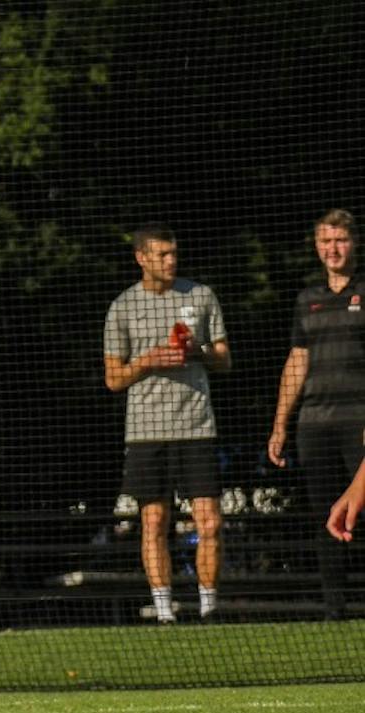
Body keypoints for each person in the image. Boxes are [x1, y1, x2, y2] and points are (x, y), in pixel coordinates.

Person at [103, 224, 232, 624]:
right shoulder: (123, 307)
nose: (171, 261)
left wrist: (199, 350)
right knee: (154, 521)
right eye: (162, 254)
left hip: (197, 426)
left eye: (174, 253)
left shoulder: (201, 295)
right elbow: (113, 379)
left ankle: (209, 607)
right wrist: (148, 361)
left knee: (210, 520)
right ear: (141, 257)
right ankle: (164, 612)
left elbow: (224, 360)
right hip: (146, 431)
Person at [268, 209, 365, 619]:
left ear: (354, 243)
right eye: (326, 241)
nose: (333, 249)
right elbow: (297, 360)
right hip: (315, 425)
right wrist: (279, 425)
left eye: (340, 240)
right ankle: (334, 609)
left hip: (359, 421)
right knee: (325, 514)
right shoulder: (307, 300)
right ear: (316, 247)